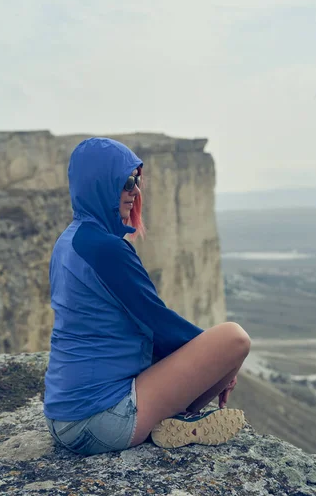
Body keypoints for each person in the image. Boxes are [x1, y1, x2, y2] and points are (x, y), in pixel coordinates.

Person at [44, 137, 250, 455]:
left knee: (216, 347)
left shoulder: (68, 241)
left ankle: (176, 421)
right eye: (126, 182)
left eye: (137, 181)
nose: (135, 192)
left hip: (63, 419)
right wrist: (225, 368)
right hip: (100, 420)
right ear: (99, 184)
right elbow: (161, 326)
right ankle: (183, 421)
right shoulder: (105, 249)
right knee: (234, 339)